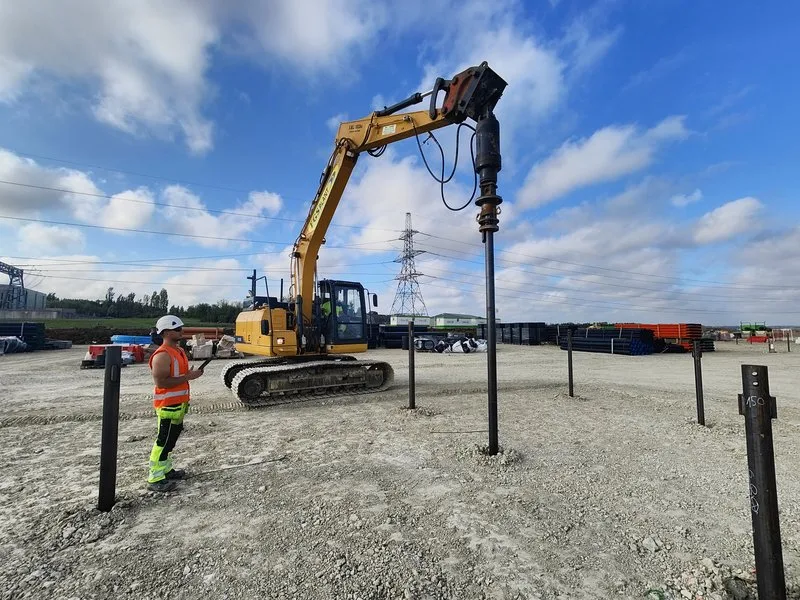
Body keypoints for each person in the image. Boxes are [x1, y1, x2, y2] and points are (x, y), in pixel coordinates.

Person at [146, 315, 203, 492]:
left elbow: (178, 377)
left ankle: (166, 470)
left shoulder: (178, 352)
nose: (182, 332)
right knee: (163, 441)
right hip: (168, 406)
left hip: (178, 405)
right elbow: (161, 383)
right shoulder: (162, 355)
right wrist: (188, 377)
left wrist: (188, 375)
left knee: (171, 441)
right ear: (167, 332)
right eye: (178, 329)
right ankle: (155, 478)